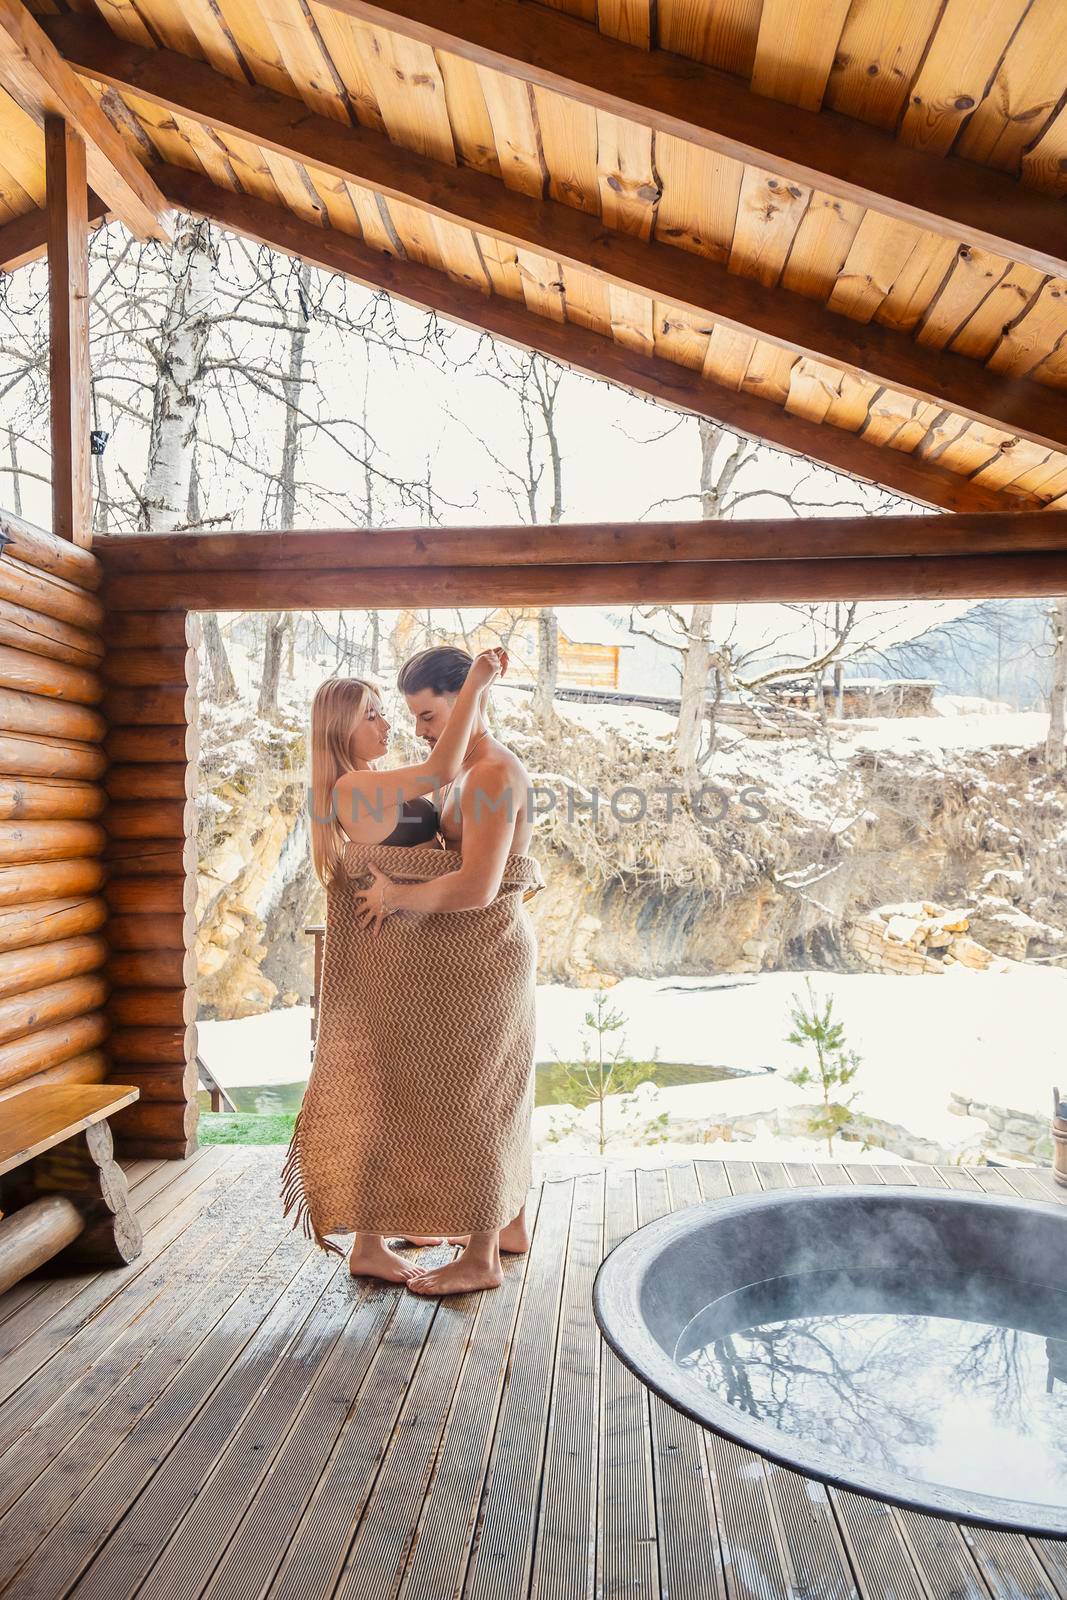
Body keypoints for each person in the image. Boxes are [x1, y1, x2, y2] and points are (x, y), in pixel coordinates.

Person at [300, 645, 506, 1286]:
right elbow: (445, 762)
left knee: (400, 1093)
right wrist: (477, 683)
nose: (387, 726)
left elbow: (448, 814)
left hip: (410, 954)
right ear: (341, 731)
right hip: (391, 962)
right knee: (392, 1096)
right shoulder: (354, 786)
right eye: (372, 716)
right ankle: (367, 1244)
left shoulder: (363, 786)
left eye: (389, 713)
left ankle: (398, 1223)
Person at [351, 644, 537, 1296]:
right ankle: (507, 1226)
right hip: (478, 957)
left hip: (487, 952)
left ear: (464, 700)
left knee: (479, 1098)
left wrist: (394, 897)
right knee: (491, 1089)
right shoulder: (467, 771)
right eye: (416, 719)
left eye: (429, 715)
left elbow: (478, 885)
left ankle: (481, 1257)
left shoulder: (489, 777)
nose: (423, 730)